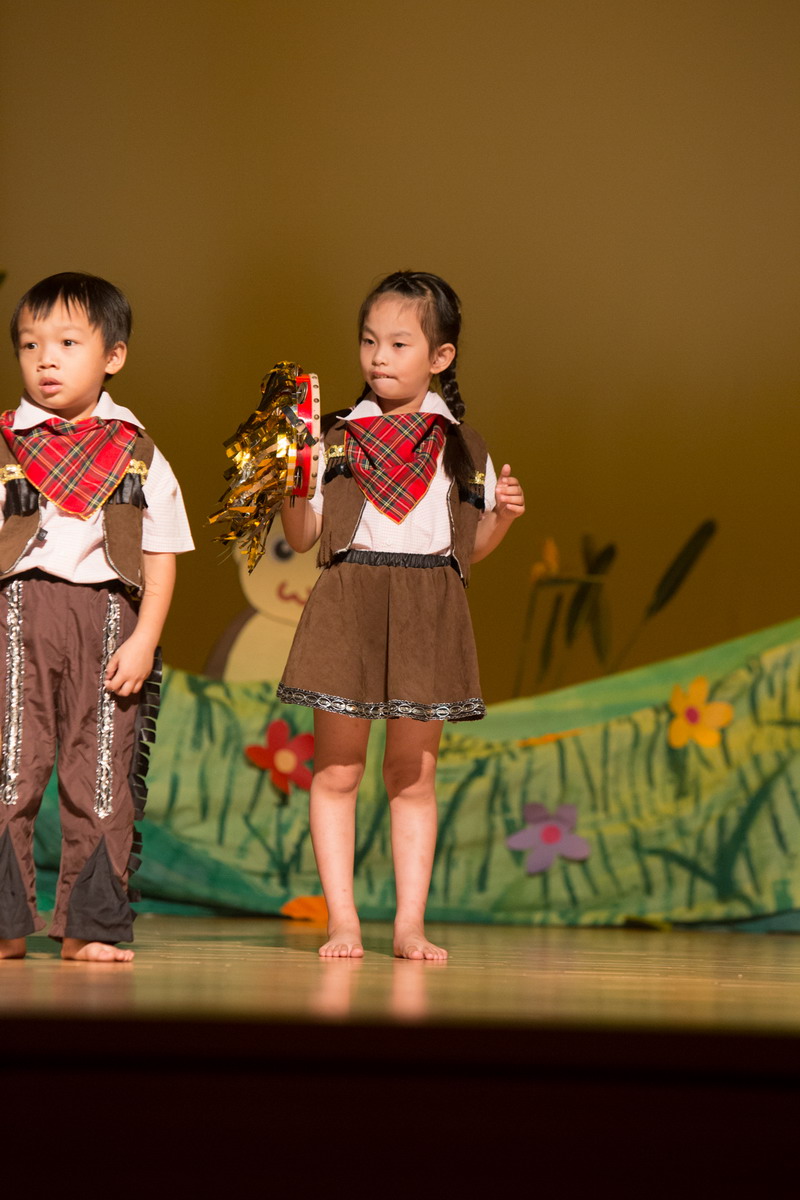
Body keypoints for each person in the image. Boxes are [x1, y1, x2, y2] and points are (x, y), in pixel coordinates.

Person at [278, 270, 525, 959]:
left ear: (440, 357)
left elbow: (466, 548)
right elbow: (304, 535)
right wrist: (291, 484)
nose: (378, 358)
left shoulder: (462, 445)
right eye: (368, 342)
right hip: (349, 598)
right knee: (338, 770)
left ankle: (409, 924)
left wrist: (503, 519)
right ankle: (344, 921)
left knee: (412, 776)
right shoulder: (333, 438)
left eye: (397, 344)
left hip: (427, 606)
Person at [0, 272, 194, 963]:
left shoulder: (139, 452)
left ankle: (89, 927)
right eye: (30, 345)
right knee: (10, 769)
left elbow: (162, 558)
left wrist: (145, 639)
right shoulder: (7, 445)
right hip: (17, 616)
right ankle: (5, 925)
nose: (45, 360)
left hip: (109, 619)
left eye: (67, 343)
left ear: (113, 356)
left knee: (101, 775)